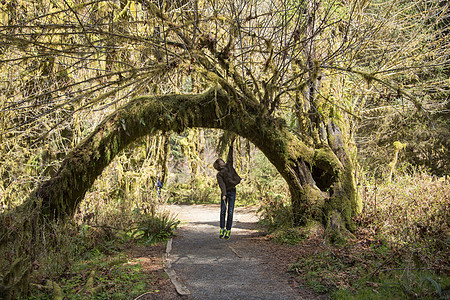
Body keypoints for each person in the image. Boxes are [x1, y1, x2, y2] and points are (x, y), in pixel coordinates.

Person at [213, 136, 242, 240]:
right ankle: (222, 228)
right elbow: (222, 185)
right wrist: (224, 194)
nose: (222, 161)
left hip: (232, 191)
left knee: (230, 212)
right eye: (220, 161)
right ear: (218, 165)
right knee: (223, 211)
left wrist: (231, 144)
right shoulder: (219, 174)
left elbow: (230, 155)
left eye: (222, 160)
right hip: (225, 193)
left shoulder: (229, 165)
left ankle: (228, 230)